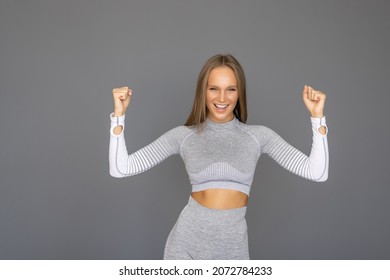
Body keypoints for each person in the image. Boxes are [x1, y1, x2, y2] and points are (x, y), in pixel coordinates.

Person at [109, 54, 328, 260]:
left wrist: (317, 119)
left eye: (230, 89)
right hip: (185, 248)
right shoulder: (184, 137)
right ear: (203, 91)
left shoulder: (258, 137)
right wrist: (118, 117)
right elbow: (121, 169)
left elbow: (316, 172)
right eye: (214, 88)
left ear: (239, 92)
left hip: (233, 251)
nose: (222, 98)